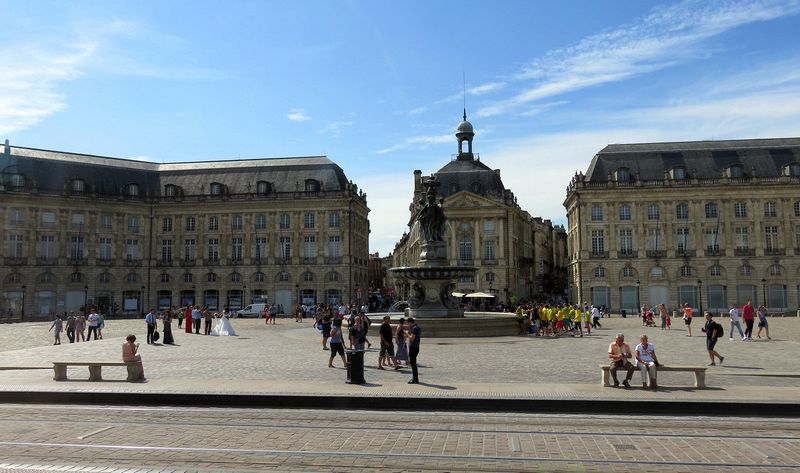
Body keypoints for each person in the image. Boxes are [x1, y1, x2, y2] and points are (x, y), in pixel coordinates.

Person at [407, 317, 421, 384]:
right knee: (413, 363)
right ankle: (415, 378)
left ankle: (415, 378)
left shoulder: (414, 328)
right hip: (416, 347)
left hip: (413, 347)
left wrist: (407, 334)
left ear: (410, 322)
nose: (408, 325)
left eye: (408, 324)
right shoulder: (417, 327)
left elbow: (412, 338)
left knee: (413, 364)